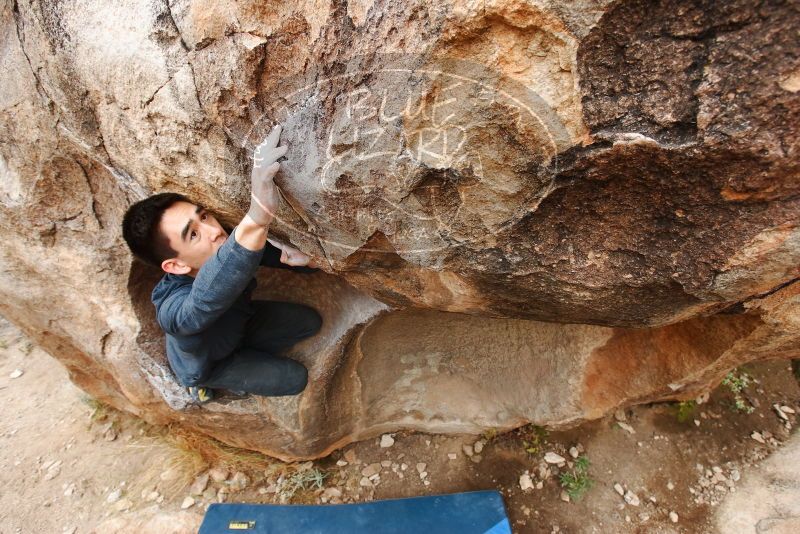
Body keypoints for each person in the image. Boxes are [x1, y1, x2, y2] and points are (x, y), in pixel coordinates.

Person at [121, 124, 322, 404]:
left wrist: (309, 261)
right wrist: (258, 214)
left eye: (203, 216)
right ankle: (200, 384)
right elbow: (205, 298)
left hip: (239, 324)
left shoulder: (219, 244)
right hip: (210, 363)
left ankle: (247, 353)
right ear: (175, 266)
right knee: (294, 378)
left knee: (308, 322)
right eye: (193, 234)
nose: (213, 230)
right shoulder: (173, 310)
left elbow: (264, 253)